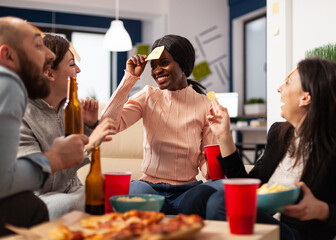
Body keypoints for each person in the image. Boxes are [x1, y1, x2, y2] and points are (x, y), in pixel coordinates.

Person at [180, 58, 336, 239]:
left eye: (288, 83)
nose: (279, 89)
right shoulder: (279, 134)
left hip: (298, 232)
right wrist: (224, 135)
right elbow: (247, 185)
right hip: (264, 217)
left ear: (305, 97)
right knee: (199, 195)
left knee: (221, 202)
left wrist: (322, 210)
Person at [100, 34, 217, 214]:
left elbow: (206, 158)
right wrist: (130, 78)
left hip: (187, 191)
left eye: (164, 63)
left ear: (183, 64)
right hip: (148, 188)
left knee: (212, 194)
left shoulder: (205, 105)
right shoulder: (148, 96)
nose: (156, 71)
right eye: (153, 66)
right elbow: (108, 125)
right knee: (131, 194)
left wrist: (213, 169)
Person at [0, 17, 89, 236]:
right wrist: (54, 159)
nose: (49, 55)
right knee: (32, 207)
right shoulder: (9, 83)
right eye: (38, 46)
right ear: (7, 55)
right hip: (44, 197)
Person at [17, 33, 117, 220]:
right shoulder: (20, 115)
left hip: (72, 191)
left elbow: (72, 167)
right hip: (40, 199)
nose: (78, 69)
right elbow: (37, 179)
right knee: (82, 203)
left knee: (116, 195)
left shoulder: (67, 109)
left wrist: (89, 127)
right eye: (71, 64)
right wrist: (90, 141)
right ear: (49, 73)